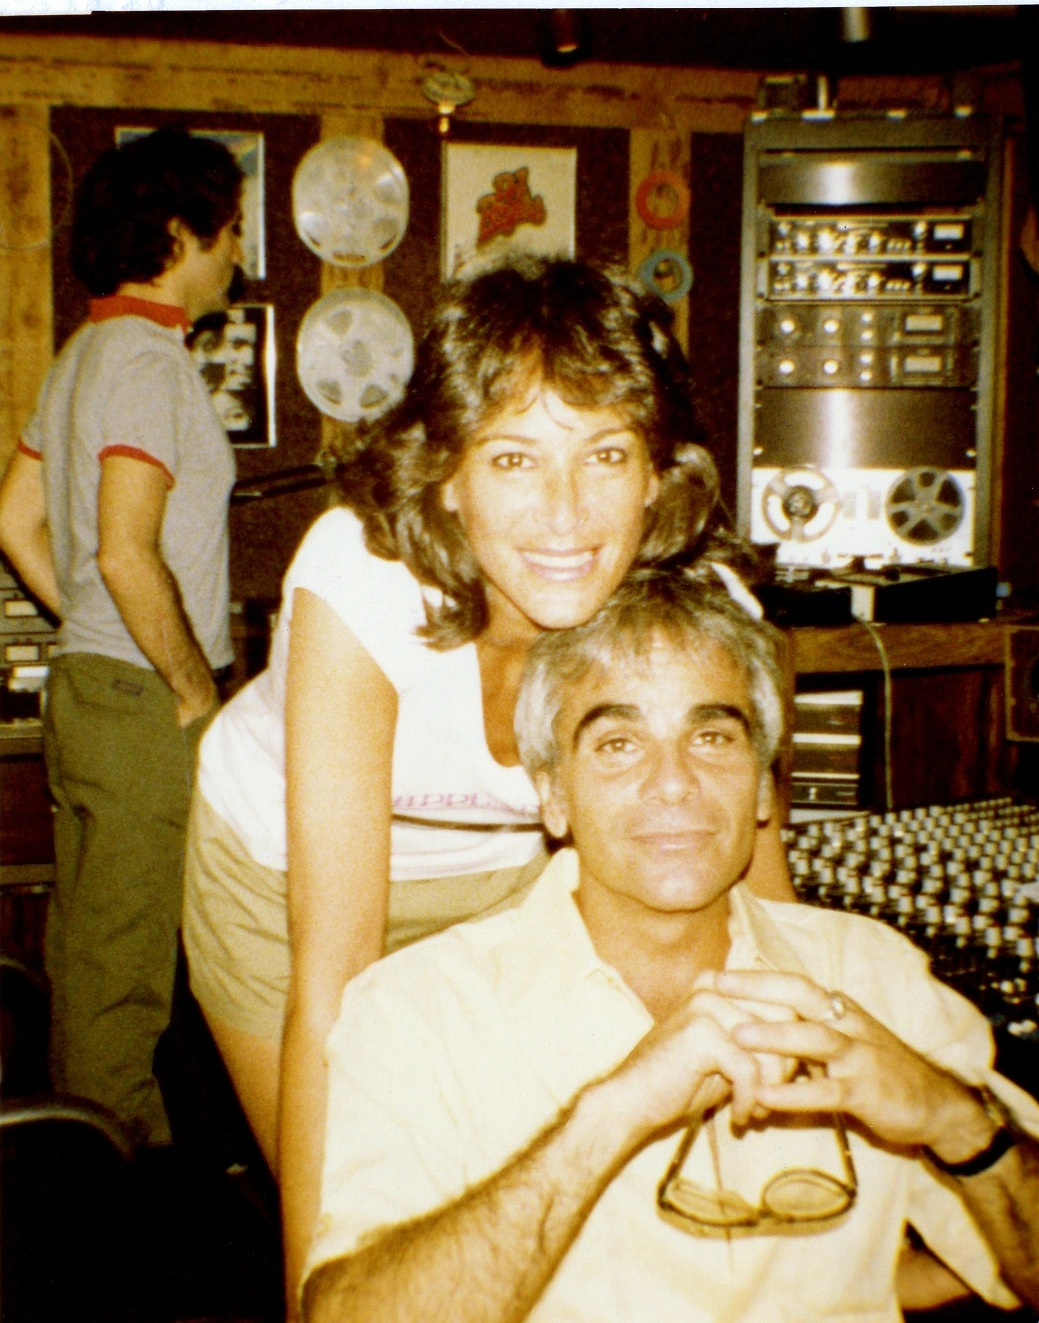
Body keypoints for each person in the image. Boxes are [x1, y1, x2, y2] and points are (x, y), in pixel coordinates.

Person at [181, 256, 797, 1299]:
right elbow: (337, 979)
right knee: (391, 1227)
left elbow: (767, 919)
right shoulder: (360, 580)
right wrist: (321, 1300)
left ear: (657, 475)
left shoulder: (700, 610)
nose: (565, 514)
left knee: (525, 1215)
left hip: (510, 884)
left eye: (606, 454)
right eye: (513, 458)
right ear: (447, 477)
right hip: (278, 891)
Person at [302, 569, 1039, 1323]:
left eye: (711, 737)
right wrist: (608, 1119)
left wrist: (959, 1123)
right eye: (618, 744)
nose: (674, 783)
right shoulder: (417, 1012)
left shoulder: (873, 975)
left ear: (763, 785)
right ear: (552, 794)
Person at [0, 125, 243, 1144]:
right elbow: (126, 554)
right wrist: (194, 688)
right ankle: (114, 1198)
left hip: (92, 686)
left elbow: (14, 520)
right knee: (125, 979)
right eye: (230, 230)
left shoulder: (82, 354)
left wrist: (93, 630)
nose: (238, 253)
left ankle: (84, 1171)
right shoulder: (145, 361)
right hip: (144, 701)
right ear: (181, 234)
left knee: (94, 949)